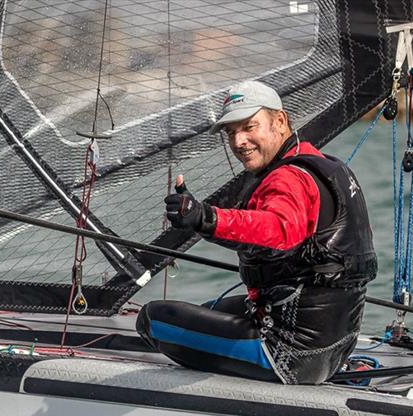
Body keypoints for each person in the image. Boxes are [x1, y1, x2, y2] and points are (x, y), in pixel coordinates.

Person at [136, 81, 377, 384]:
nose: (239, 141)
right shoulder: (324, 165)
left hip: (286, 355)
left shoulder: (288, 179)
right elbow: (264, 239)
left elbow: (278, 229)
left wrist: (206, 217)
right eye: (231, 133)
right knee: (207, 311)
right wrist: (197, 221)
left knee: (153, 320)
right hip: (334, 349)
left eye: (249, 127)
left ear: (280, 121)